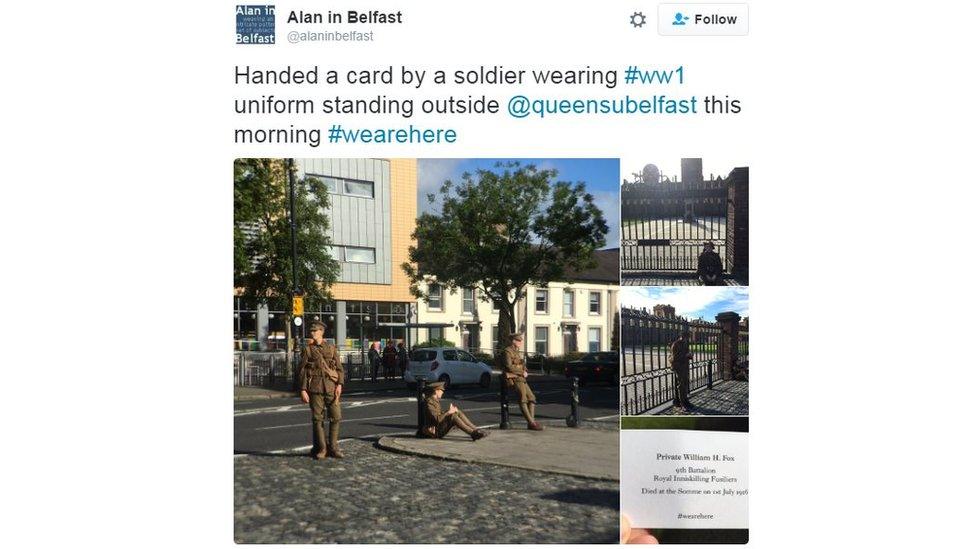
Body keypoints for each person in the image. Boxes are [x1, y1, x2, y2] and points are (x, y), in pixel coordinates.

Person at [299, 321, 345, 459]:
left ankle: (334, 447)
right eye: (311, 331)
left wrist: (340, 384)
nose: (312, 333)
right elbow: (302, 371)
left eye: (315, 331)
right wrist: (303, 389)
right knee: (317, 419)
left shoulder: (331, 348)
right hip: (315, 387)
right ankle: (322, 448)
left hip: (331, 387)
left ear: (321, 332)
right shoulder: (307, 350)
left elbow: (339, 369)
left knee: (336, 416)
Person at [500, 333, 543, 430]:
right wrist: (521, 371)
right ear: (513, 341)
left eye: (521, 340)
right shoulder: (507, 351)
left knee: (532, 398)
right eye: (519, 340)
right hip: (515, 377)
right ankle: (531, 423)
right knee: (523, 399)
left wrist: (525, 370)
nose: (521, 342)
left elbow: (520, 364)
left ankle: (531, 422)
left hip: (521, 377)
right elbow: (509, 366)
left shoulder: (516, 351)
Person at [420, 381, 488, 440]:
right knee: (453, 416)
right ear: (436, 391)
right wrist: (449, 412)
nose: (443, 392)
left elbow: (438, 415)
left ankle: (476, 429)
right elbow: (437, 419)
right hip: (435, 431)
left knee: (457, 412)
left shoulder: (434, 401)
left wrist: (450, 411)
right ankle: (472, 433)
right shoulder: (429, 403)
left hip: (438, 427)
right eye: (441, 390)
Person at [669, 330, 694, 411]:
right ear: (682, 337)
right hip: (679, 368)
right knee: (681, 385)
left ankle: (686, 400)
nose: (687, 340)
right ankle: (682, 403)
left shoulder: (685, 344)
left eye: (688, 338)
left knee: (685, 384)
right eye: (687, 338)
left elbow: (686, 355)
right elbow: (673, 358)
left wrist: (690, 355)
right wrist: (686, 355)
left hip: (685, 367)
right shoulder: (675, 344)